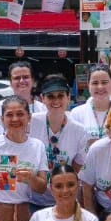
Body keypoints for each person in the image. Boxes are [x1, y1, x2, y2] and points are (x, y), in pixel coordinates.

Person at [29, 74, 89, 209]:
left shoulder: (80, 131)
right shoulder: (31, 123)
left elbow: (77, 168)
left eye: (60, 96)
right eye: (50, 96)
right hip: (34, 200)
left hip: (64, 201)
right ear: (42, 99)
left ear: (68, 98)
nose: (56, 101)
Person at [70, 64, 111, 142]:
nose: (100, 87)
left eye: (104, 82)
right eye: (95, 83)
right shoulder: (77, 114)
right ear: (88, 85)